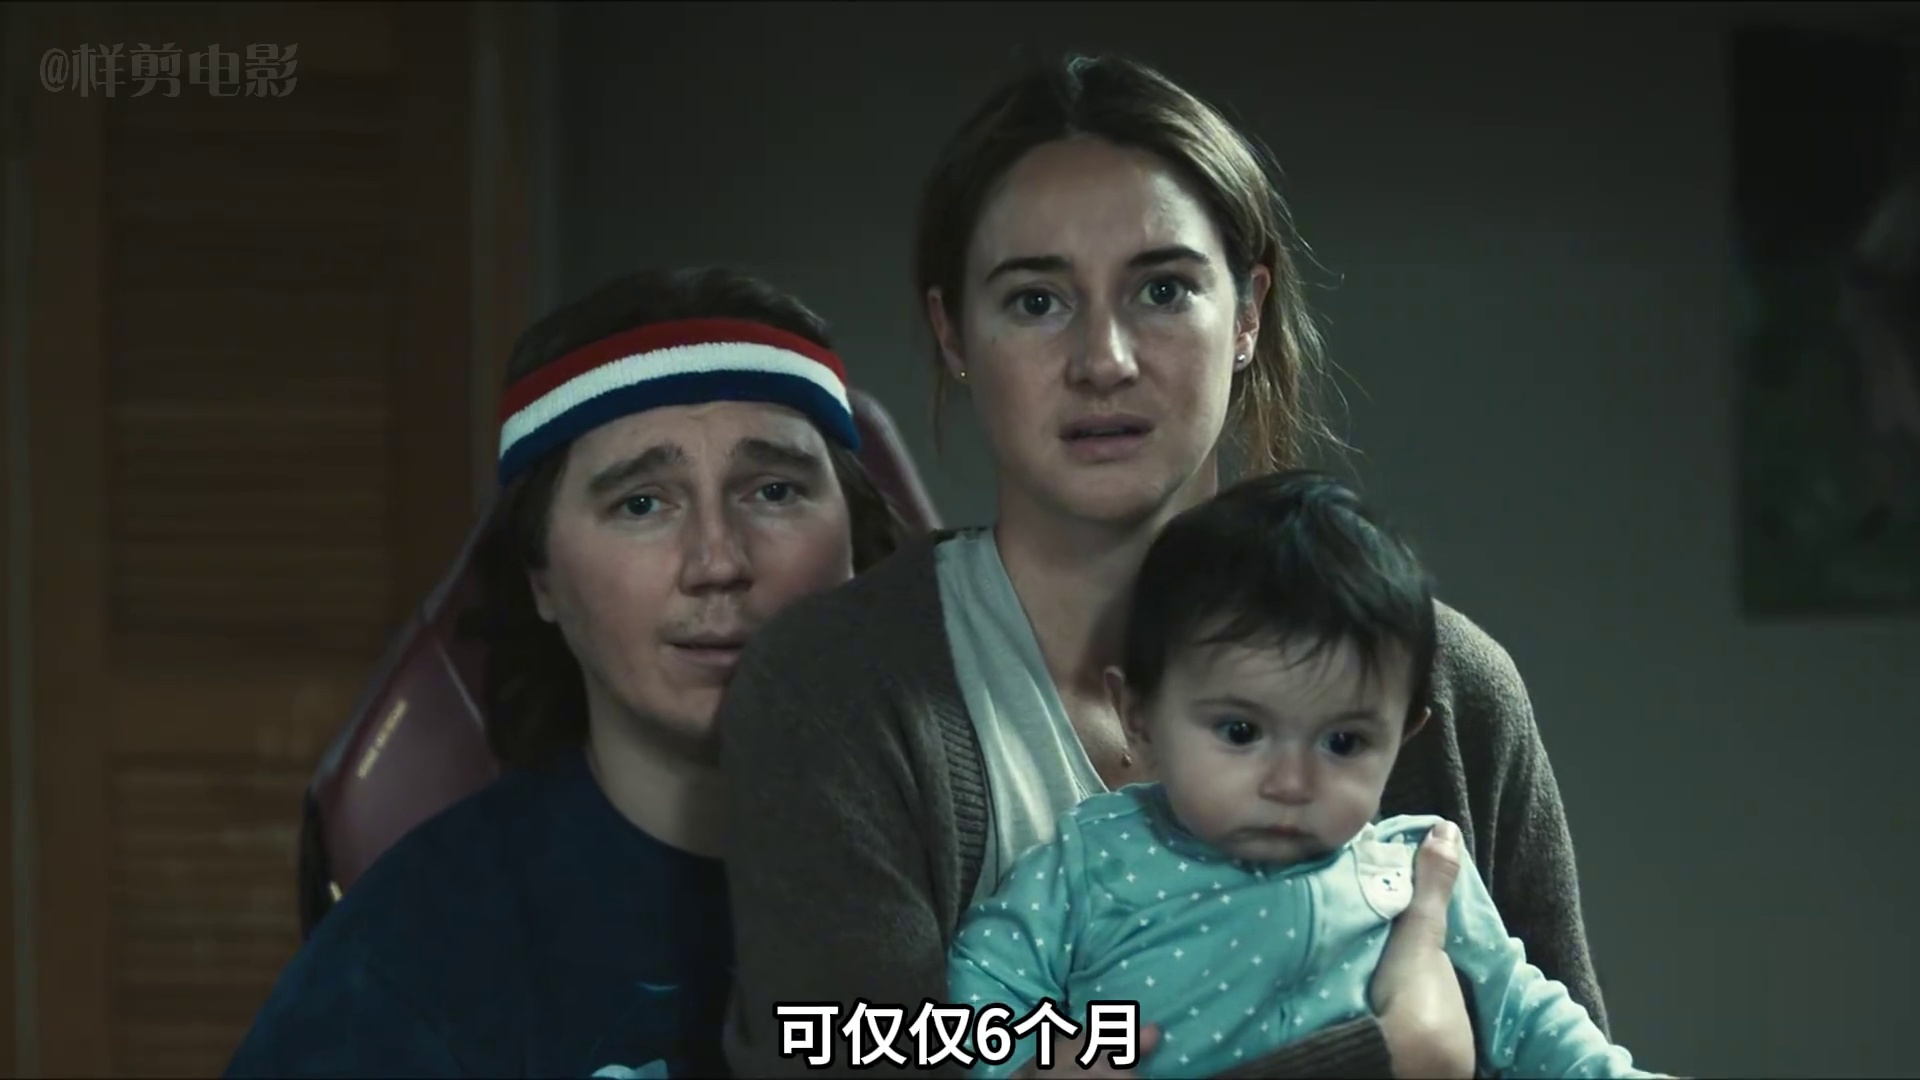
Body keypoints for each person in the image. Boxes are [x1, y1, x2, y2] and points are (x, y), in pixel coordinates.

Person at [719, 52, 1605, 1079]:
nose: (1105, 360)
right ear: (952, 332)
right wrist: (1389, 1053)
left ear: (1249, 313)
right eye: (1036, 301)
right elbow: (833, 1047)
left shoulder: (1450, 688)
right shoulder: (835, 691)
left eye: (1164, 289)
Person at [224, 267, 909, 1078]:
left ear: (855, 544)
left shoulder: (1018, 878)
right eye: (641, 504)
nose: (718, 560)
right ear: (542, 578)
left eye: (774, 491)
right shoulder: (404, 962)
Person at [947, 472, 1654, 1080]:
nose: (1291, 782)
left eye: (1343, 742)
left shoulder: (1414, 874)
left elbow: (1523, 1017)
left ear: (1402, 739)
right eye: (1240, 732)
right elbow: (981, 990)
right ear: (1139, 716)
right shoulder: (1093, 861)